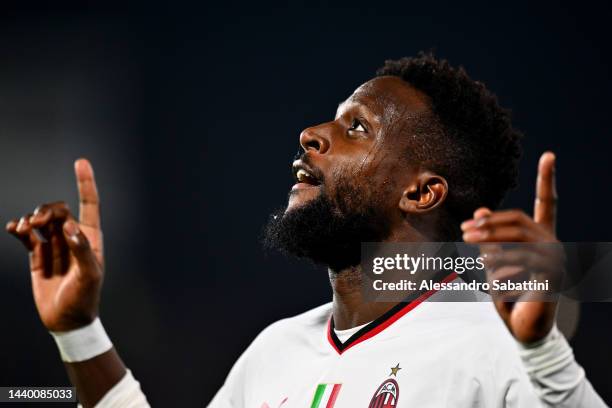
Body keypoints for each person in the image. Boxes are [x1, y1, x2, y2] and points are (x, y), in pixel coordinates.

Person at [6, 53, 607, 407]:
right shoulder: (272, 354)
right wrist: (81, 331)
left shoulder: (495, 344)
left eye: (357, 128)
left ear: (421, 192)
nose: (311, 134)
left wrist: (543, 355)